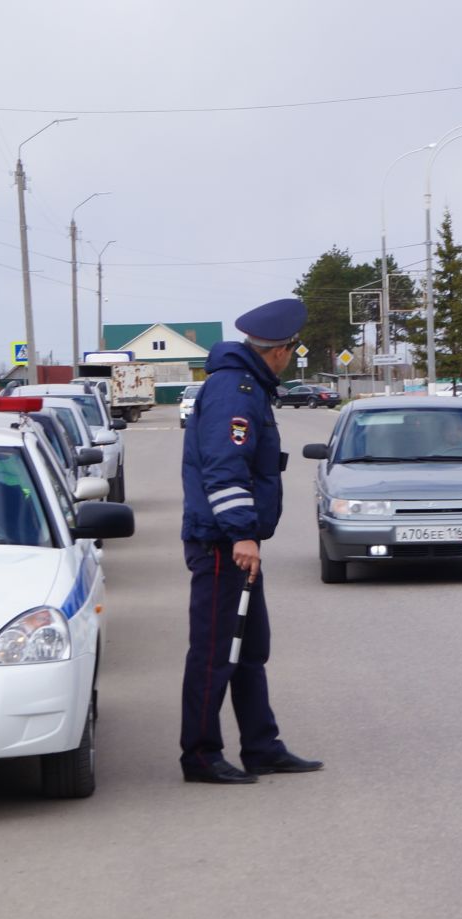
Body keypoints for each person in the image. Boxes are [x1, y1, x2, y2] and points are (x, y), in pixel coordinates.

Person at [178, 298, 323, 784]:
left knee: (249, 649)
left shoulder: (245, 388)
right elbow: (224, 469)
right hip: (222, 543)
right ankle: (199, 755)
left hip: (234, 542)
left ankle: (261, 746)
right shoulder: (234, 392)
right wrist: (241, 533)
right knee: (216, 653)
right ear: (280, 351)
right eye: (291, 349)